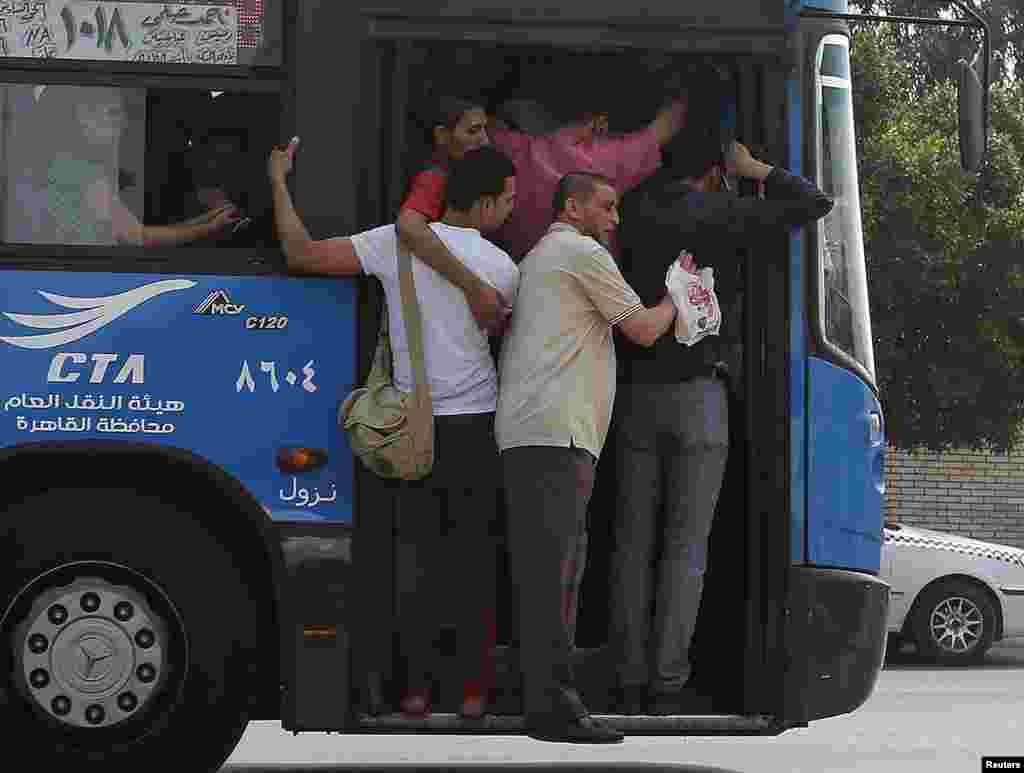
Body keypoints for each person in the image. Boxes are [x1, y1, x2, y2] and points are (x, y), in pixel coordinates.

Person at [268, 143, 520, 721]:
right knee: (474, 564)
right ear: (483, 204)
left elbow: (301, 255)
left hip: (412, 429)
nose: (510, 210)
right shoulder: (503, 267)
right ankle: (474, 692)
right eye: (507, 200)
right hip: (477, 425)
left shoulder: (392, 243)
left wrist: (279, 181)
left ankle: (414, 691)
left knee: (416, 564)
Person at [609, 109, 835, 715]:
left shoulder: (631, 209)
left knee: (632, 541)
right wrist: (756, 168)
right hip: (699, 397)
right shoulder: (718, 211)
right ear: (714, 170)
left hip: (632, 392)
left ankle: (626, 676)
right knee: (687, 544)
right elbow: (813, 203)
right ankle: (667, 682)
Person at [496, 172, 677, 743]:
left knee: (550, 575)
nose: (615, 218)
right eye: (607, 206)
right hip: (556, 436)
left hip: (541, 434)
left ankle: (549, 700)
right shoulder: (578, 252)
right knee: (556, 578)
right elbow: (645, 330)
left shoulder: (542, 256)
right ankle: (555, 709)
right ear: (572, 207)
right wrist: (681, 292)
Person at [19, 85, 240, 247]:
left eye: (123, 113)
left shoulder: (69, 165)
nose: (122, 122)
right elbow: (137, 237)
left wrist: (210, 218)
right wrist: (209, 229)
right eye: (113, 113)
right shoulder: (85, 175)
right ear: (84, 117)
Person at [487, 86, 688, 261]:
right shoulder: (607, 158)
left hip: (525, 281)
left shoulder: (513, 149)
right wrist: (684, 89)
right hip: (590, 286)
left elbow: (484, 123)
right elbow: (667, 125)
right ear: (598, 121)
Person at [396, 95, 509, 334]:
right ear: (442, 136)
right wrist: (473, 287)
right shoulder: (435, 179)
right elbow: (408, 226)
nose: (485, 140)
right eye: (473, 131)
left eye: (485, 130)